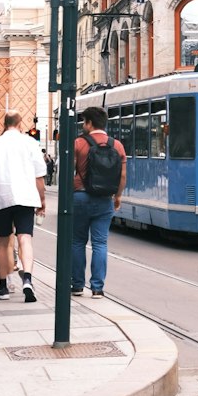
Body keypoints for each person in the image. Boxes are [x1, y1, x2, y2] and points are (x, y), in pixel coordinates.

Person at [0, 111, 46, 303]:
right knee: (25, 238)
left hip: (2, 198)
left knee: (2, 242)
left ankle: (3, 286)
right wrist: (42, 200)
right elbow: (39, 177)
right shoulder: (31, 143)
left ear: (4, 124)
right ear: (20, 123)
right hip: (26, 198)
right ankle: (28, 279)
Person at [72, 106, 127, 297]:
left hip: (80, 196)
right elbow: (122, 176)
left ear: (89, 123)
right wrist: (118, 196)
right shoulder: (117, 145)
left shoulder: (78, 143)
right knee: (100, 243)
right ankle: (97, 288)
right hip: (105, 199)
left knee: (78, 241)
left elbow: (69, 171)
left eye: (84, 122)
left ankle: (77, 285)